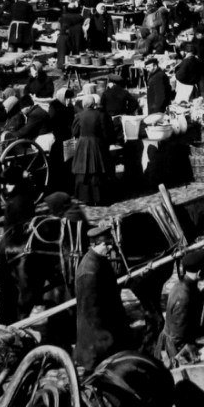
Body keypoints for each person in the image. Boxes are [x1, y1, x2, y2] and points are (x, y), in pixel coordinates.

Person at [74, 238, 132, 374]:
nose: (109, 248)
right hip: (96, 344)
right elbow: (92, 315)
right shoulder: (88, 271)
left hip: (110, 332)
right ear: (94, 245)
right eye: (106, 244)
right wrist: (107, 340)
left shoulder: (100, 260)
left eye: (109, 244)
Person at [160, 247, 204, 360]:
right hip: (176, 352)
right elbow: (178, 339)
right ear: (199, 272)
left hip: (182, 342)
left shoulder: (185, 286)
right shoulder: (184, 297)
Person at [70, 93, 113, 206]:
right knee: (97, 170)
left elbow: (74, 132)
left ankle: (85, 198)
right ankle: (98, 198)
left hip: (83, 144)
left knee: (83, 171)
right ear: (93, 104)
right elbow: (105, 132)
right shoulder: (100, 115)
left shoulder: (78, 115)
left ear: (84, 105)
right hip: (96, 143)